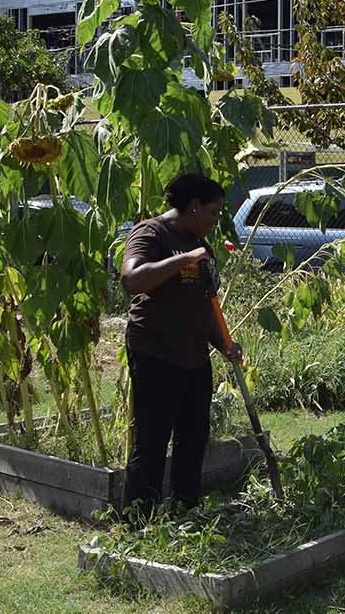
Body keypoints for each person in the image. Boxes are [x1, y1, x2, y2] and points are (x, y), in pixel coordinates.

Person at [118, 171, 242, 515]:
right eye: (213, 213)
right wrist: (182, 260)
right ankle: (138, 522)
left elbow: (206, 305)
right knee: (153, 441)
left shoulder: (202, 245)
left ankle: (185, 513)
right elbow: (131, 279)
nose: (216, 222)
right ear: (193, 207)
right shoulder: (152, 232)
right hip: (155, 353)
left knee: (193, 439)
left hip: (194, 358)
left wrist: (224, 345)